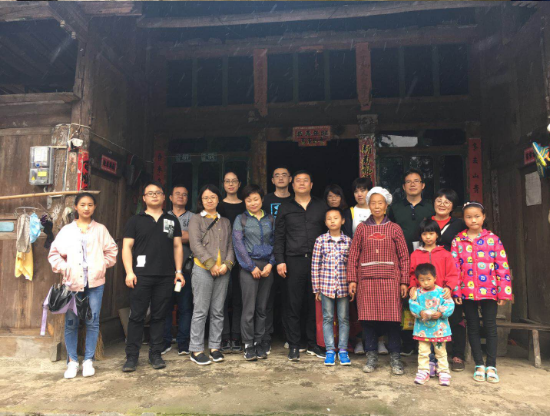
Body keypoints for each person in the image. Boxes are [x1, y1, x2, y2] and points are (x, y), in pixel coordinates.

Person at [48, 192, 118, 379]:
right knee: (71, 322)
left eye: (90, 205)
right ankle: (72, 361)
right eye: (83, 205)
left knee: (92, 321)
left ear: (94, 207)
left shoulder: (100, 229)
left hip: (95, 283)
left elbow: (112, 251)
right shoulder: (67, 231)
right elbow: (54, 254)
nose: (86, 208)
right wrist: (65, 267)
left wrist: (101, 265)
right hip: (72, 283)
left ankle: (88, 360)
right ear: (76, 207)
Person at [122, 181, 184, 372]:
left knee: (159, 316)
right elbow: (127, 247)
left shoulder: (171, 220)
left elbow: (177, 246)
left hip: (165, 276)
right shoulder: (135, 220)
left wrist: (178, 272)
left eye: (158, 193)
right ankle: (132, 357)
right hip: (140, 276)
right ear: (144, 198)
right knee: (137, 316)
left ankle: (155, 354)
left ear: (164, 197)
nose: (154, 195)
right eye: (150, 193)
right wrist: (129, 271)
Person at [347, 187, 409, 375]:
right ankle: (371, 356)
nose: (376, 206)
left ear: (386, 205)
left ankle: (395, 357)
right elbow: (353, 255)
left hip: (391, 280)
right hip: (366, 281)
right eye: (372, 203)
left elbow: (404, 256)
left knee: (393, 320)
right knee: (368, 321)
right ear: (368, 205)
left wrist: (404, 281)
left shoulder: (395, 228)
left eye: (380, 203)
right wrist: (352, 280)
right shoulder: (362, 228)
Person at [452, 201, 512, 384]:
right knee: (472, 326)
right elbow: (454, 269)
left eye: (477, 216)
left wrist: (503, 292)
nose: (473, 220)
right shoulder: (458, 240)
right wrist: (456, 291)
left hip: (490, 291)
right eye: (469, 217)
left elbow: (502, 267)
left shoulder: (493, 239)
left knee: (490, 326)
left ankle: (491, 365)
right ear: (464, 219)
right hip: (467, 291)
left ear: (484, 217)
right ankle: (479, 364)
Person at [274, 170, 328, 361]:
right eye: (298, 180)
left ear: (311, 185)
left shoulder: (321, 206)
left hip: (317, 261)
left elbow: (328, 232)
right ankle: (294, 345)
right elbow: (279, 236)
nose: (302, 183)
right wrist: (280, 260)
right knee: (293, 303)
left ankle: (313, 343)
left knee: (315, 303)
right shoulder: (285, 207)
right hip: (293, 261)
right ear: (293, 185)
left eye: (306, 180)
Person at [388, 168, 435, 356]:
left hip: (426, 259)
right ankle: (407, 342)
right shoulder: (395, 208)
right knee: (405, 300)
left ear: (423, 185)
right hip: (400, 259)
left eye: (416, 181)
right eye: (408, 181)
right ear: (403, 186)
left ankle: (428, 341)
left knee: (427, 298)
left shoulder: (431, 207)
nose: (412, 184)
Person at [188, 184, 235, 365]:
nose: (209, 200)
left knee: (218, 311)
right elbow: (195, 244)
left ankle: (215, 347)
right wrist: (211, 265)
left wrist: (227, 265)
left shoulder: (225, 221)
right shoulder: (196, 219)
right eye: (206, 197)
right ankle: (196, 349)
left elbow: (230, 246)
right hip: (202, 269)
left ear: (218, 199)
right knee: (200, 310)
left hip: (222, 271)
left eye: (213, 197)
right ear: (201, 200)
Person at [409, 218, 458, 378]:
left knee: (438, 331)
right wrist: (412, 286)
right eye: (424, 234)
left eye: (431, 233)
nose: (428, 237)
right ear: (420, 236)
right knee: (424, 331)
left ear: (437, 234)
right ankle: (428, 363)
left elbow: (453, 274)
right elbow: (411, 274)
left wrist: (449, 287)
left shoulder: (445, 254)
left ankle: (440, 365)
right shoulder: (416, 255)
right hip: (423, 299)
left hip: (440, 298)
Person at [232, 184, 276, 361]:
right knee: (249, 308)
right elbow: (238, 244)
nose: (252, 203)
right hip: (248, 267)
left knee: (262, 308)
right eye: (248, 200)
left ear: (262, 200)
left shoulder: (270, 219)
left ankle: (259, 341)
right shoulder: (240, 219)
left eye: (256, 199)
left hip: (267, 267)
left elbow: (276, 242)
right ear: (244, 201)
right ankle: (248, 344)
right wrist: (251, 267)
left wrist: (271, 264)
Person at [432, 188, 468, 371]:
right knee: (431, 314)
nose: (442, 204)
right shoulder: (427, 222)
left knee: (455, 315)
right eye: (439, 200)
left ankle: (457, 355)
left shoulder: (459, 224)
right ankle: (433, 356)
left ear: (453, 206)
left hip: (452, 273)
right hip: (430, 275)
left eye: (447, 201)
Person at [311, 208, 352, 366]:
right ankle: (329, 350)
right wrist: (316, 288)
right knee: (327, 318)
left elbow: (351, 265)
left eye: (336, 218)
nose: (332, 221)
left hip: (343, 287)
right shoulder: (320, 240)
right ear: (325, 222)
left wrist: (352, 285)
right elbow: (315, 265)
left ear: (343, 221)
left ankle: (343, 350)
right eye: (329, 218)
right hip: (326, 287)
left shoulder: (348, 241)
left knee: (344, 319)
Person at [341, 177, 376, 356]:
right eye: (356, 191)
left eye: (363, 190)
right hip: (357, 263)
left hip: (377, 262)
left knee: (378, 302)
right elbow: (348, 238)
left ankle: (379, 340)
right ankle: (360, 340)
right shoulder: (350, 212)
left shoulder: (378, 209)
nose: (360, 194)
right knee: (358, 304)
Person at [262, 166, 293, 349]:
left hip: (289, 254)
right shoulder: (265, 201)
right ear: (272, 180)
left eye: (284, 175)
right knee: (267, 298)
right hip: (266, 255)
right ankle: (266, 336)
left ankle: (289, 335)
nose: (281, 178)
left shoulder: (294, 200)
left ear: (290, 179)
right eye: (277, 176)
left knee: (289, 298)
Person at [409, 263, 455, 386]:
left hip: (439, 330)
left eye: (429, 279)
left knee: (441, 352)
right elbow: (412, 304)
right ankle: (423, 371)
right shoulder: (417, 293)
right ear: (418, 280)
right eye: (422, 280)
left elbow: (450, 304)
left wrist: (441, 313)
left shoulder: (442, 292)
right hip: (422, 330)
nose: (426, 283)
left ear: (435, 278)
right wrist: (420, 312)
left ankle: (443, 372)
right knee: (423, 351)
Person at [162, 184, 195, 356]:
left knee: (185, 307)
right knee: (165, 307)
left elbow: (195, 238)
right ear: (170, 197)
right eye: (177, 194)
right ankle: (165, 342)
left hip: (187, 268)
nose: (181, 197)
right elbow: (163, 238)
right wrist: (183, 235)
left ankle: (183, 343)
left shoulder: (194, 217)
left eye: (184, 194)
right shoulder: (163, 216)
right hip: (166, 269)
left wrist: (175, 235)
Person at [218, 171, 246, 354]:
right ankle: (224, 335)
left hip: (242, 257)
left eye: (234, 181)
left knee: (238, 298)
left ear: (239, 184)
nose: (230, 184)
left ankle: (236, 335)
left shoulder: (245, 205)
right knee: (221, 298)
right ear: (223, 184)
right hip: (221, 258)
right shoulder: (217, 205)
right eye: (227, 181)